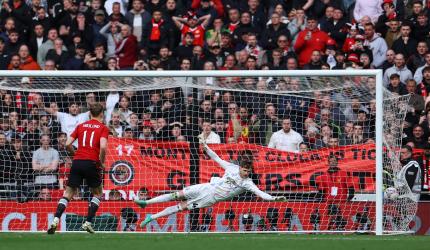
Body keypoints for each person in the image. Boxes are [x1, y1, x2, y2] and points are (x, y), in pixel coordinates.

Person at [135, 143, 287, 228]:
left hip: (209, 199)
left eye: (248, 171)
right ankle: (146, 202)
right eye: (244, 169)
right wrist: (205, 147)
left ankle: (151, 216)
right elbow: (216, 158)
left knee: (181, 207)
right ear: (240, 167)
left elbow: (261, 194)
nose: (246, 173)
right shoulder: (231, 168)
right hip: (206, 187)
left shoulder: (248, 183)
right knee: (177, 194)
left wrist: (273, 199)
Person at [47, 103, 109, 234]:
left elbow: (68, 143)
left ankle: (55, 219)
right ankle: (87, 222)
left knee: (68, 193)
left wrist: (75, 155)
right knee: (98, 193)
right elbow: (103, 147)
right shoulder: (103, 128)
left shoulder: (80, 126)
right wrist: (101, 162)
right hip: (91, 163)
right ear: (102, 114)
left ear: (90, 114)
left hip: (77, 162)